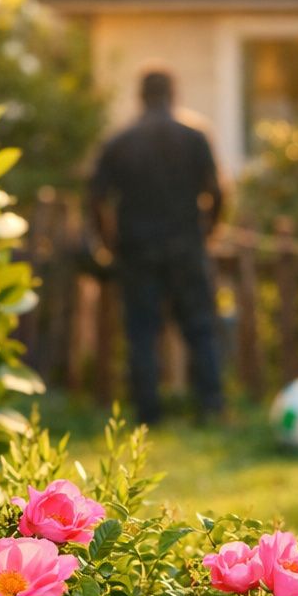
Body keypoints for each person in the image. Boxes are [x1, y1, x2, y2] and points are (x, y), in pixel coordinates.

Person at [89, 68, 225, 426]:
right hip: (186, 247)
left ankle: (148, 414)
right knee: (200, 328)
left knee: (142, 333)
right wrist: (209, 231)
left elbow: (95, 197)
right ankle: (211, 407)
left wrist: (108, 241)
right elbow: (217, 191)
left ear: (141, 96)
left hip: (137, 251)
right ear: (173, 94)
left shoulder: (120, 142)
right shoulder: (194, 137)